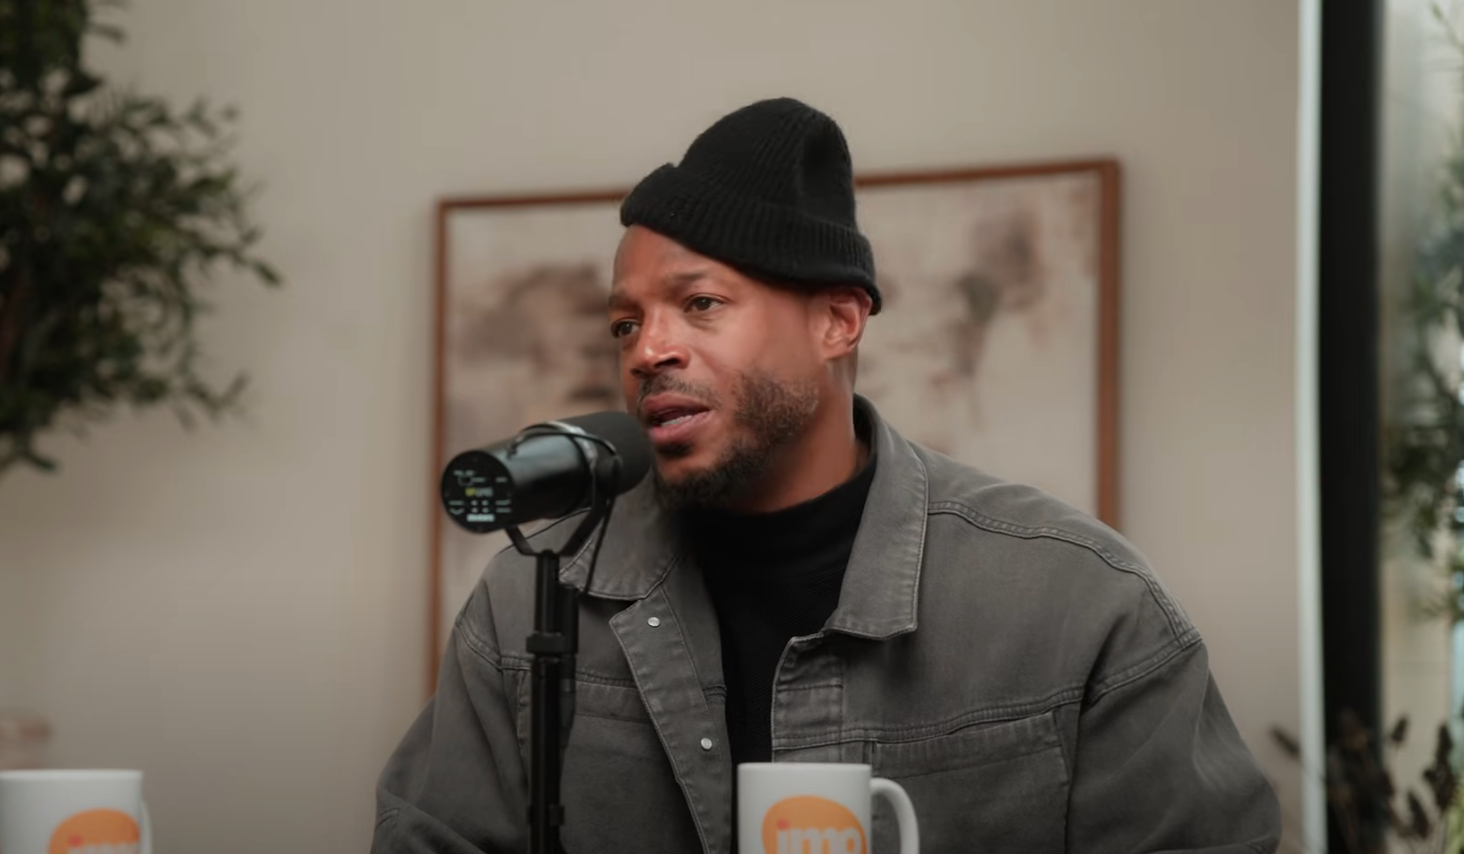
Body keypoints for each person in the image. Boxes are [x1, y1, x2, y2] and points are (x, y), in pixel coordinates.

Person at [373, 97, 1281, 853]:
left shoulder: (1083, 605)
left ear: (838, 322)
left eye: (700, 304)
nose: (648, 350)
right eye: (625, 323)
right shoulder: (538, 595)